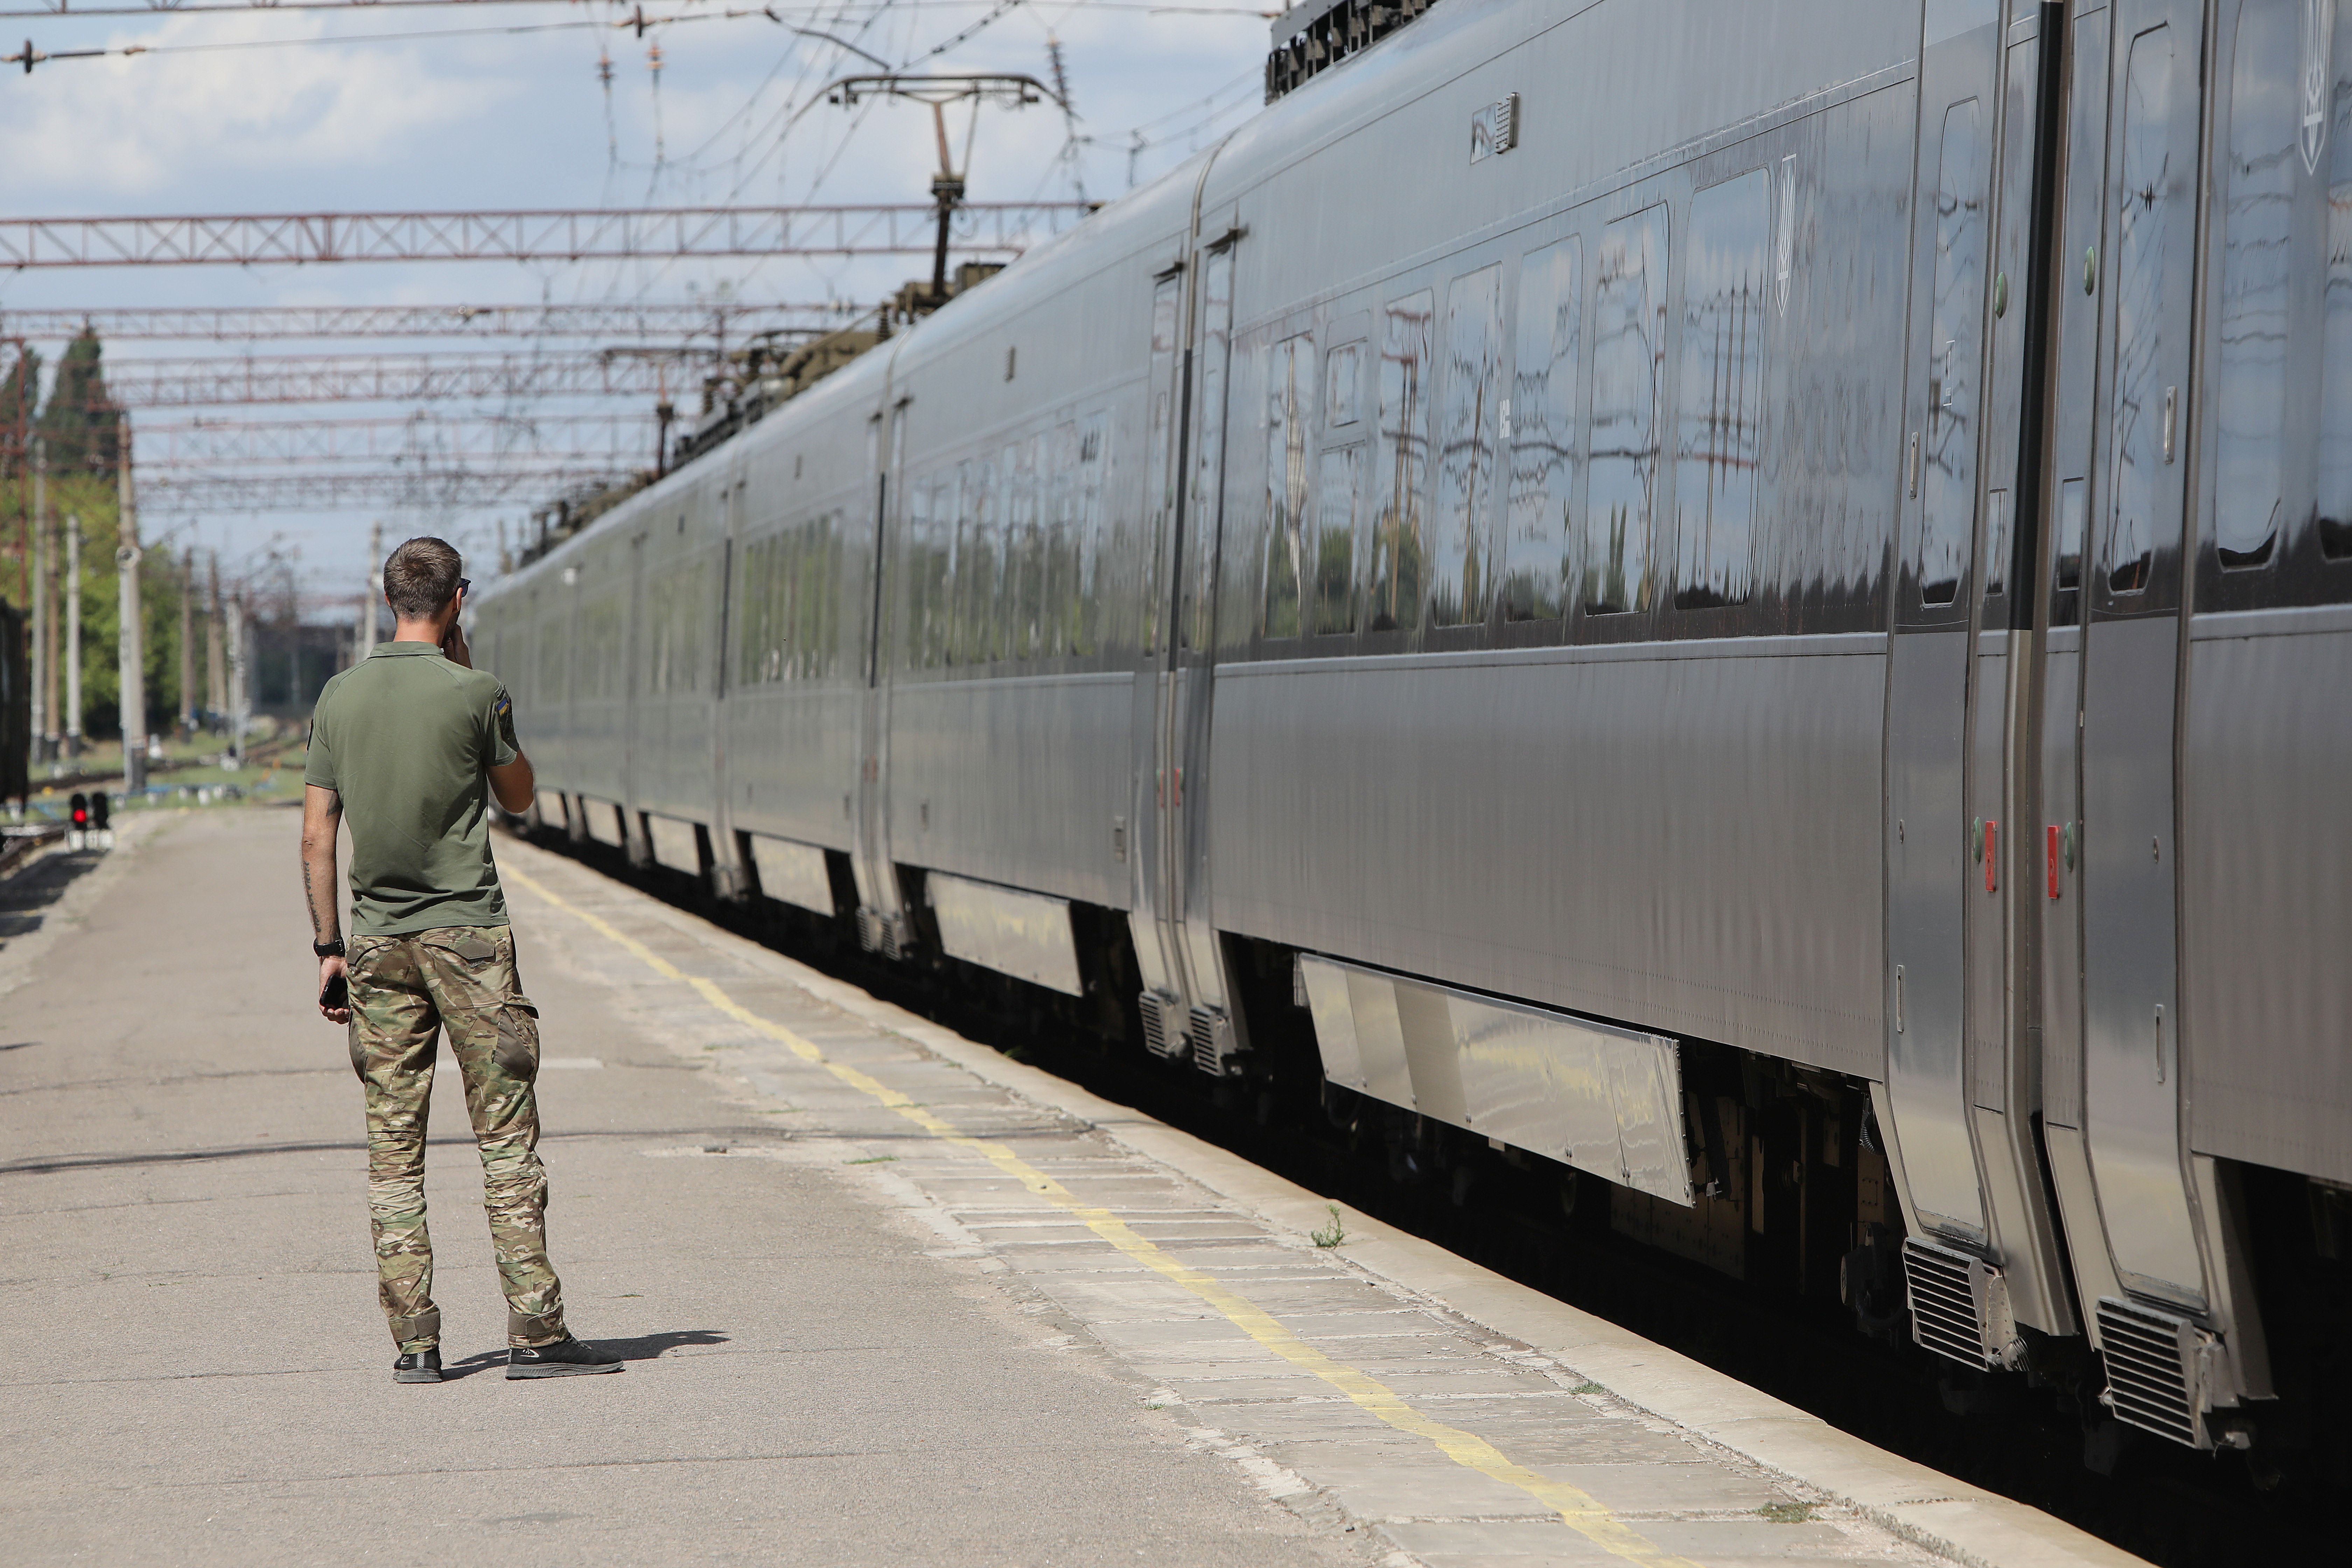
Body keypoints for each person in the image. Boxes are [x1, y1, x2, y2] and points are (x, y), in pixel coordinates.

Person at [302, 536, 621, 1385]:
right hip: (471, 942)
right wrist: (469, 668)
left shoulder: (339, 696)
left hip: (374, 942)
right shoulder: (476, 691)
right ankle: (537, 1334)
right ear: (456, 601)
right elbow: (518, 796)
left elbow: (316, 831)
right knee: (506, 1141)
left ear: (388, 598)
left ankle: (415, 1343)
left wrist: (330, 948)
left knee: (393, 1150)